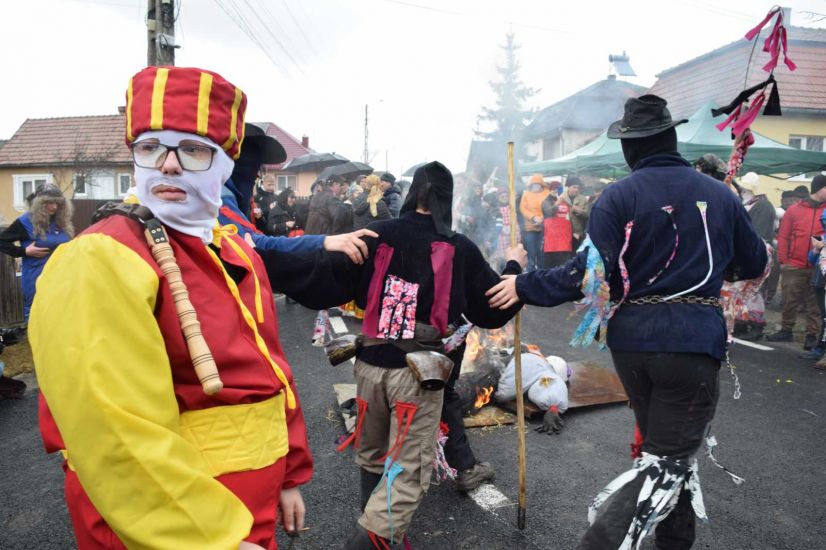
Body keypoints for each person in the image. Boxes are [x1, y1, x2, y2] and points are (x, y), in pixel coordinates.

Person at [29, 66, 371, 550]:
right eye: (150, 147)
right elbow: (113, 432)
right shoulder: (101, 258)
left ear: (223, 165)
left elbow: (270, 374)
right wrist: (209, 539)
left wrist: (288, 474)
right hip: (175, 532)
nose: (168, 165)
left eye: (191, 150)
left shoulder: (232, 250)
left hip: (249, 516)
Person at [487, 95, 767, 550]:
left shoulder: (616, 197)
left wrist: (525, 285)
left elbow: (586, 275)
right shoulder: (720, 195)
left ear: (630, 148)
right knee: (668, 457)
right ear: (671, 139)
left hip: (633, 344)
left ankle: (675, 541)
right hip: (691, 344)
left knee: (670, 448)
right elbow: (752, 260)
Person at [334, 161, 526, 549]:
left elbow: (340, 283)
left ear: (410, 193)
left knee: (371, 455)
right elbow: (491, 307)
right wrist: (514, 265)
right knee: (407, 469)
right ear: (447, 199)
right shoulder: (457, 246)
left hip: (369, 364)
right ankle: (369, 542)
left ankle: (374, 529)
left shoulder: (377, 234)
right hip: (416, 375)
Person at [767, 175, 826, 349]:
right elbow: (783, 235)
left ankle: (812, 335)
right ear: (820, 189)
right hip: (794, 263)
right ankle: (786, 330)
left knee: (814, 302)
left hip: (818, 264)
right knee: (789, 299)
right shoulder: (794, 210)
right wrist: (784, 260)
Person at [0, 185, 73, 321]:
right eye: (49, 203)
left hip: (61, 277)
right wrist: (24, 251)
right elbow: (2, 241)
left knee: (60, 314)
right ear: (39, 203)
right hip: (36, 277)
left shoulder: (61, 223)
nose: (54, 207)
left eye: (57, 203)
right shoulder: (25, 222)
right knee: (37, 314)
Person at [519, 173, 550, 271]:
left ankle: (541, 274)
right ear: (530, 185)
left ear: (542, 185)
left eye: (538, 184)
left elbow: (550, 209)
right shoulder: (526, 194)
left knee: (542, 253)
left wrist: (541, 219)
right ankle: (530, 275)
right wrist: (533, 217)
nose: (536, 186)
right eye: (534, 184)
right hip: (530, 228)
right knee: (531, 253)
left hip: (544, 228)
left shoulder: (547, 194)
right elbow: (523, 208)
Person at [541, 184, 573, 268]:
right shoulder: (546, 201)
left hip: (564, 240)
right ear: (549, 190)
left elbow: (573, 218)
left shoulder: (568, 201)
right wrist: (558, 203)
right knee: (550, 268)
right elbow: (548, 212)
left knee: (564, 267)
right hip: (551, 242)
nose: (555, 191)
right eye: (553, 189)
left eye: (557, 189)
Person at [557, 176, 590, 250]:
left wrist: (578, 210)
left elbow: (587, 214)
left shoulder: (583, 199)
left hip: (578, 233)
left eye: (578, 188)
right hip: (564, 233)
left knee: (577, 254)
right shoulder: (560, 198)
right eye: (574, 187)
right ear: (568, 187)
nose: (576, 190)